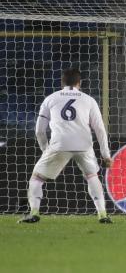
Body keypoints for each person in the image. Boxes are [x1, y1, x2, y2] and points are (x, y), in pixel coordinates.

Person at [18, 68, 113, 224]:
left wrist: (45, 150)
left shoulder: (50, 99)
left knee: (37, 178)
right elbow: (100, 130)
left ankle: (34, 212)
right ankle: (102, 214)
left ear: (62, 82)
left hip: (59, 144)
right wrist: (106, 155)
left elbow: (39, 130)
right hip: (84, 145)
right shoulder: (89, 100)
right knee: (92, 176)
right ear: (79, 83)